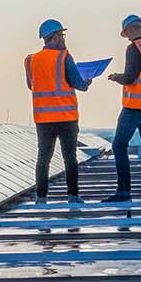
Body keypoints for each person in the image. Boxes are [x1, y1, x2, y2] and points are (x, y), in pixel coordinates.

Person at [25, 18, 93, 202]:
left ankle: (41, 198)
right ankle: (72, 195)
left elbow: (31, 85)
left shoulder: (30, 60)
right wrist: (86, 82)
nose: (63, 38)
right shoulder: (64, 57)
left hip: (43, 118)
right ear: (53, 37)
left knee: (43, 158)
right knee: (70, 157)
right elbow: (78, 84)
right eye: (61, 35)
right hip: (66, 116)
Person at [103, 13, 141, 202]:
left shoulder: (134, 48)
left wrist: (115, 77)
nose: (126, 36)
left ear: (130, 29)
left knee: (118, 145)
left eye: (126, 32)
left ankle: (123, 193)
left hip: (134, 105)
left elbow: (130, 77)